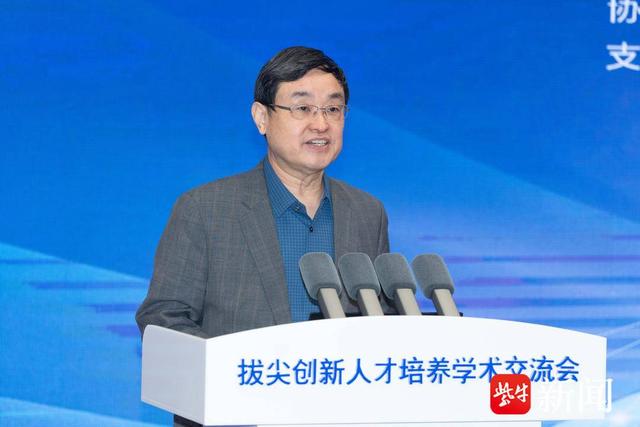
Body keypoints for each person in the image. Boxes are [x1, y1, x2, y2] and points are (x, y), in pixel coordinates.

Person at [136, 46, 392, 426]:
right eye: (302, 108)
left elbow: (383, 323)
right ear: (261, 117)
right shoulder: (205, 209)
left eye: (333, 109)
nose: (320, 124)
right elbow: (163, 319)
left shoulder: (367, 212)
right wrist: (245, 376)